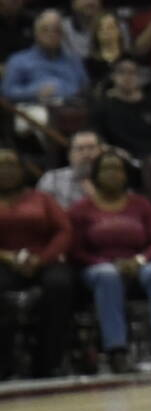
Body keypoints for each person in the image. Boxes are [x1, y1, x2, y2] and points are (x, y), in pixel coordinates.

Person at [70, 149, 151, 373]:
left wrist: (139, 260)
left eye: (117, 169)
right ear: (95, 175)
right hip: (97, 266)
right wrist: (105, 263)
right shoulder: (81, 209)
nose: (112, 174)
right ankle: (116, 351)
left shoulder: (142, 205)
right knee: (108, 277)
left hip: (138, 264)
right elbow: (76, 251)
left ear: (125, 175)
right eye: (106, 169)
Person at [0, 149, 80, 379]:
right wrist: (7, 257)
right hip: (5, 262)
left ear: (21, 170)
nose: (6, 171)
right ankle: (5, 363)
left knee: (60, 285)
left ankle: (48, 361)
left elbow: (64, 230)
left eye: (11, 165)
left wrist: (43, 259)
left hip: (43, 259)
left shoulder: (41, 198)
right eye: (1, 165)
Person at [4, 10, 86, 106]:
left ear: (63, 35)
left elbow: (86, 90)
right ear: (36, 33)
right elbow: (7, 91)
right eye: (45, 30)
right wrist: (34, 92)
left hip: (70, 111)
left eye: (56, 30)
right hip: (33, 111)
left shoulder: (74, 61)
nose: (51, 34)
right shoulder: (19, 60)